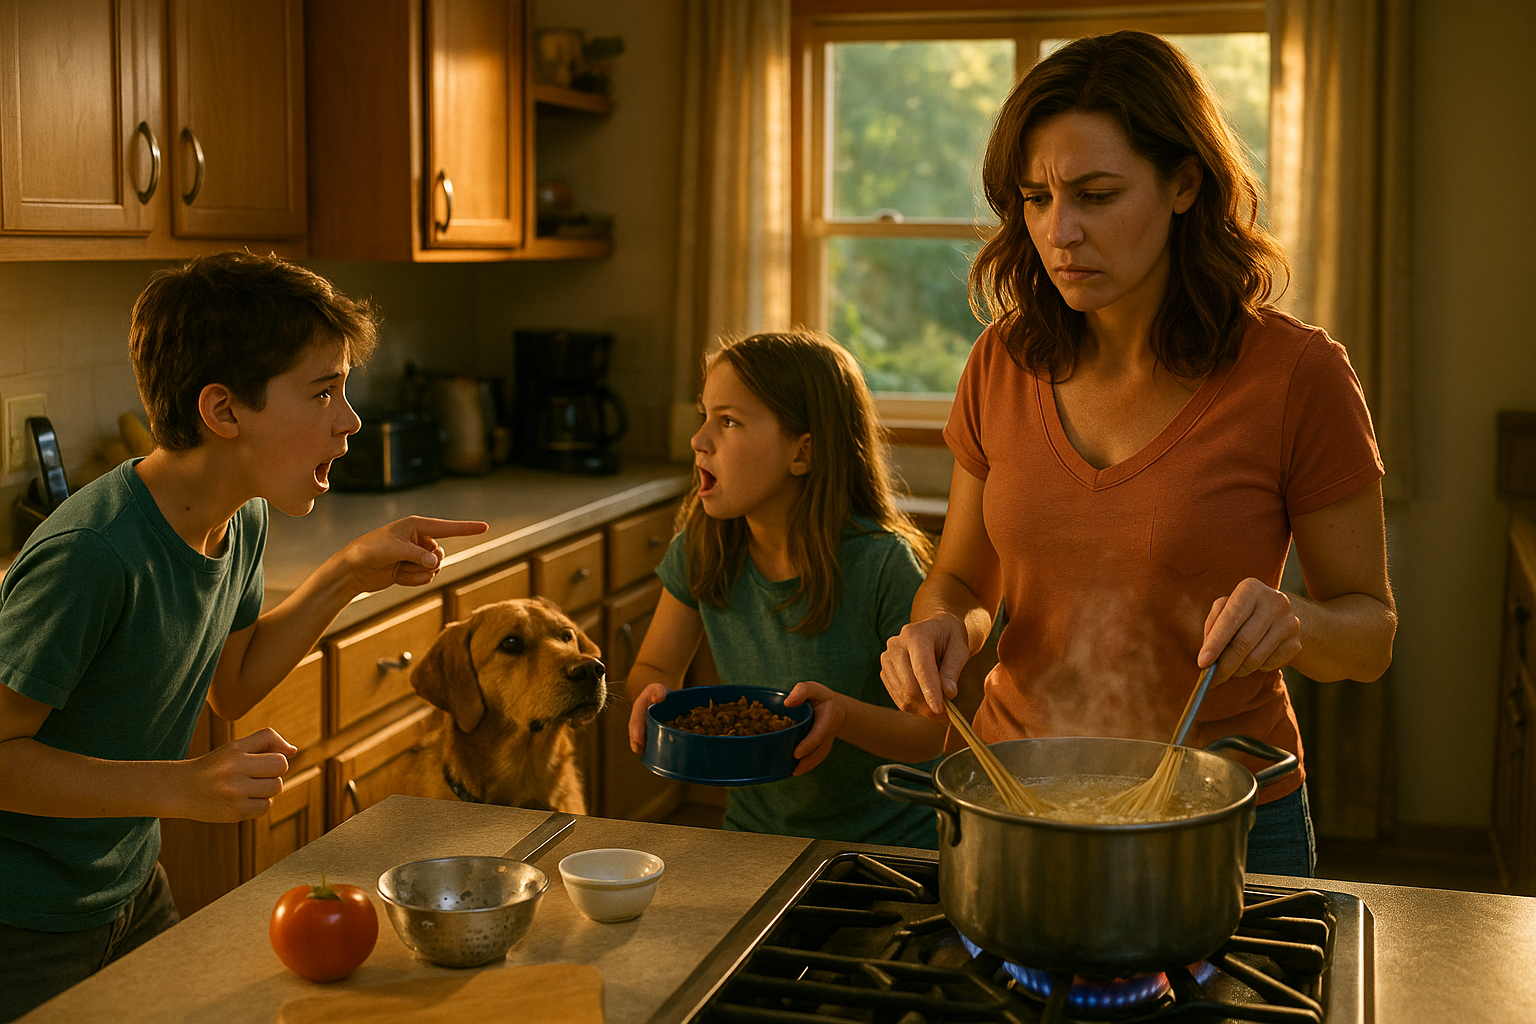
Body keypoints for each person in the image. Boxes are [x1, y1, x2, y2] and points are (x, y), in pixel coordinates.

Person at [879, 31, 1395, 877]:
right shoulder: (1000, 362)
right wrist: (939, 626)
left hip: (1222, 813)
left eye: (1097, 194)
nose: (1060, 232)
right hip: (1015, 799)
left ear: (1185, 183)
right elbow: (966, 583)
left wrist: (1294, 623)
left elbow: (1369, 635)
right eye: (1036, 198)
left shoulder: (1297, 375)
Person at [0, 251, 488, 1020]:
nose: (350, 419)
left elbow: (232, 681)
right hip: (24, 920)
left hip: (128, 885)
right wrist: (179, 785)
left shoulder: (241, 512)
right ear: (224, 412)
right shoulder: (93, 555)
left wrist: (344, 575)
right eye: (323, 390)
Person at [625, 331, 947, 847]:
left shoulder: (883, 563)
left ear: (803, 453)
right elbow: (657, 668)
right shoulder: (702, 549)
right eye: (703, 417)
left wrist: (840, 715)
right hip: (755, 839)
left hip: (886, 847)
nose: (699, 440)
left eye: (728, 422)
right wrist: (652, 696)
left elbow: (930, 732)